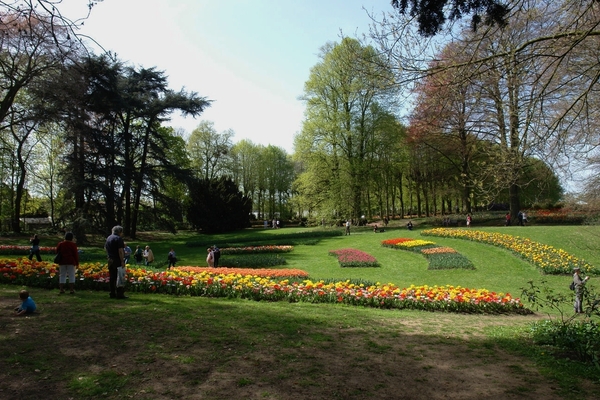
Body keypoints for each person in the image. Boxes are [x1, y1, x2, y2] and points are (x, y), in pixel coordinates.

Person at [104, 225, 128, 299]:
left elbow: (105, 248)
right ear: (119, 232)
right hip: (117, 259)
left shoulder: (108, 238)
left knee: (112, 277)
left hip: (110, 259)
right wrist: (122, 261)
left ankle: (112, 293)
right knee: (120, 276)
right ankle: (120, 294)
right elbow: (120, 251)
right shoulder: (118, 239)